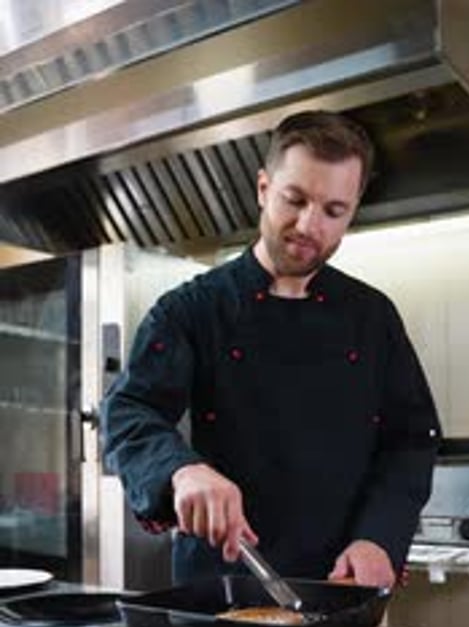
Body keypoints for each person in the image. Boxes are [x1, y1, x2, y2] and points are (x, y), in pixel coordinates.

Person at [102, 110, 440, 591]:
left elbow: (410, 441)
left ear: (352, 211)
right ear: (263, 188)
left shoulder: (373, 318)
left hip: (340, 585)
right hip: (218, 588)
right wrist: (180, 470)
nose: (308, 224)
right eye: (295, 199)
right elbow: (129, 410)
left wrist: (379, 540)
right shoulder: (191, 310)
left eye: (333, 211)